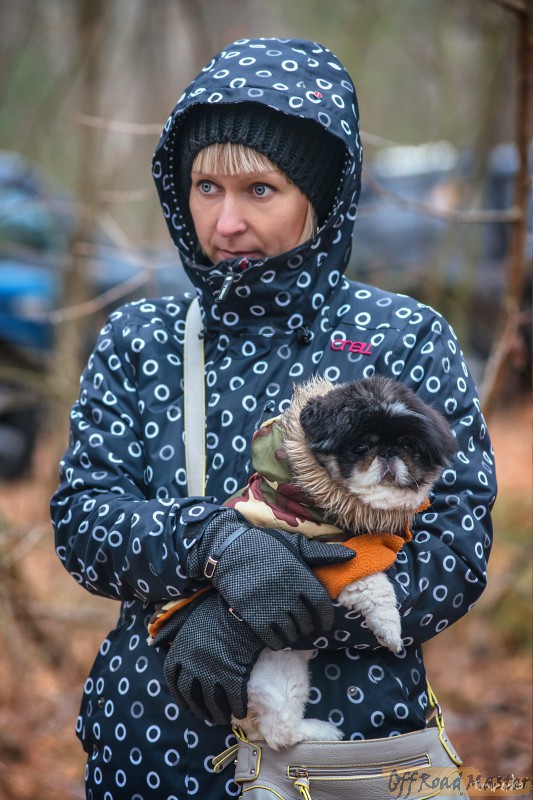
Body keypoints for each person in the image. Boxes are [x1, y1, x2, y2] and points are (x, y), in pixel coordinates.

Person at [51, 37, 497, 799]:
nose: (225, 222)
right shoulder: (140, 338)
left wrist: (251, 616)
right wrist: (215, 545)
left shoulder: (399, 337)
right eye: (205, 187)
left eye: (260, 189)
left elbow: (452, 548)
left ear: (318, 195)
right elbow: (84, 519)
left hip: (342, 753)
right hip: (151, 746)